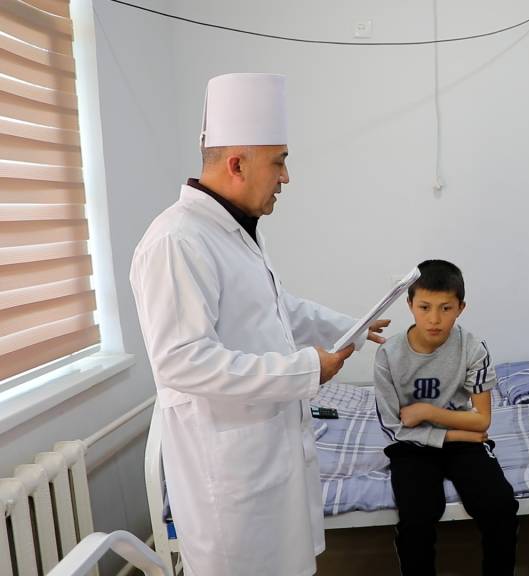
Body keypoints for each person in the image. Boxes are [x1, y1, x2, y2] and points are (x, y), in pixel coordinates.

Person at [130, 73, 387, 576]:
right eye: (280, 161)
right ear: (237, 164)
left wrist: (349, 326)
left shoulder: (237, 231)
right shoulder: (177, 242)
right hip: (229, 482)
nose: (286, 177)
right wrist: (305, 370)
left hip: (267, 461)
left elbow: (275, 308)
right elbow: (181, 361)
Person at [374, 259, 519, 576]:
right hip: (413, 446)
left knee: (500, 505)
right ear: (410, 305)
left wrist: (426, 412)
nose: (434, 319)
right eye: (424, 307)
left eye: (446, 308)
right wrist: (460, 433)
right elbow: (394, 427)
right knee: (418, 514)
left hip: (461, 443)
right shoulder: (388, 354)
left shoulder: (473, 348)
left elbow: (482, 422)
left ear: (460, 308)